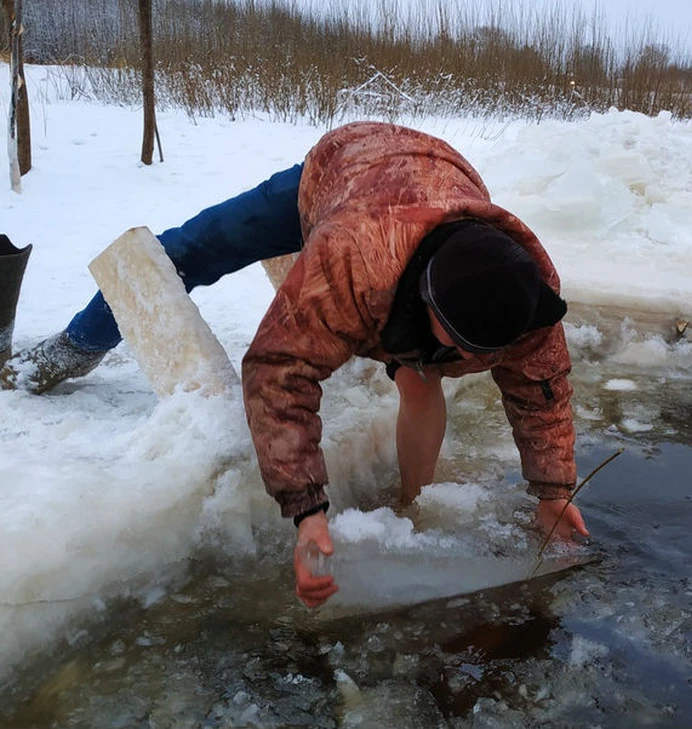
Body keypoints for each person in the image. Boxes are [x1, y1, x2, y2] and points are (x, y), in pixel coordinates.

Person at [1, 121, 587, 608]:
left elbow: (542, 389)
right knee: (189, 251)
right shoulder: (351, 262)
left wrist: (555, 490)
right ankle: (71, 348)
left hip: (439, 181)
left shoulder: (523, 291)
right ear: (427, 300)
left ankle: (413, 500)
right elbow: (278, 369)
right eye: (464, 347)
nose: (476, 363)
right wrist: (307, 512)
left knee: (420, 373)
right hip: (342, 169)